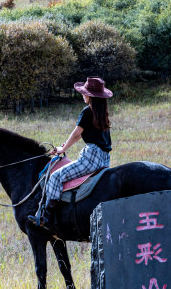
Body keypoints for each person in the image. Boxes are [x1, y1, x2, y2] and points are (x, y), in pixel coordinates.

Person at [28, 77, 112, 232]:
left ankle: (45, 216)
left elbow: (76, 134)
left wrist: (62, 149)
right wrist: (63, 146)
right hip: (104, 159)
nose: (82, 95)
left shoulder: (87, 111)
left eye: (84, 92)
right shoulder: (102, 112)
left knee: (56, 177)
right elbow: (81, 135)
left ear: (90, 96)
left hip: (91, 158)